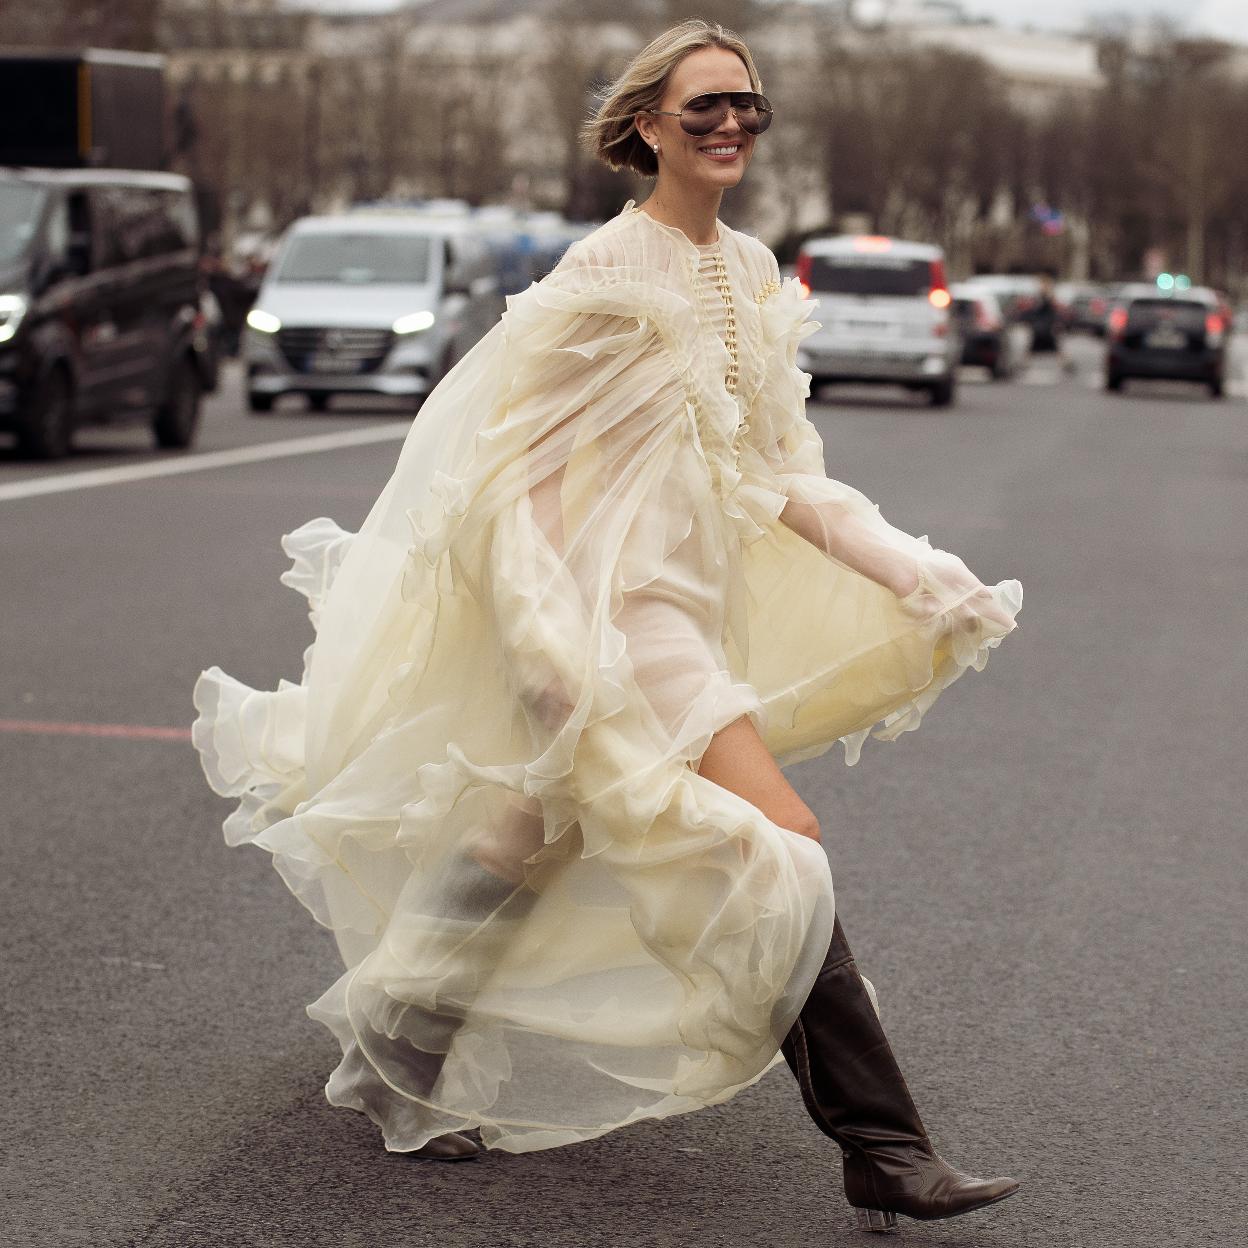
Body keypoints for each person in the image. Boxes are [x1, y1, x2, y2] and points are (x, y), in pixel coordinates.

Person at [193, 19, 1022, 1233]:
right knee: (779, 846)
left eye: (748, 105)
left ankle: (392, 1039)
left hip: (695, 606)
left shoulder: (746, 271)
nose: (732, 124)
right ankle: (884, 1145)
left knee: (529, 833)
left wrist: (919, 572)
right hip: (611, 621)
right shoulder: (599, 279)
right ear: (645, 128)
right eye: (705, 110)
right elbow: (509, 483)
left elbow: (773, 471)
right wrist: (545, 651)